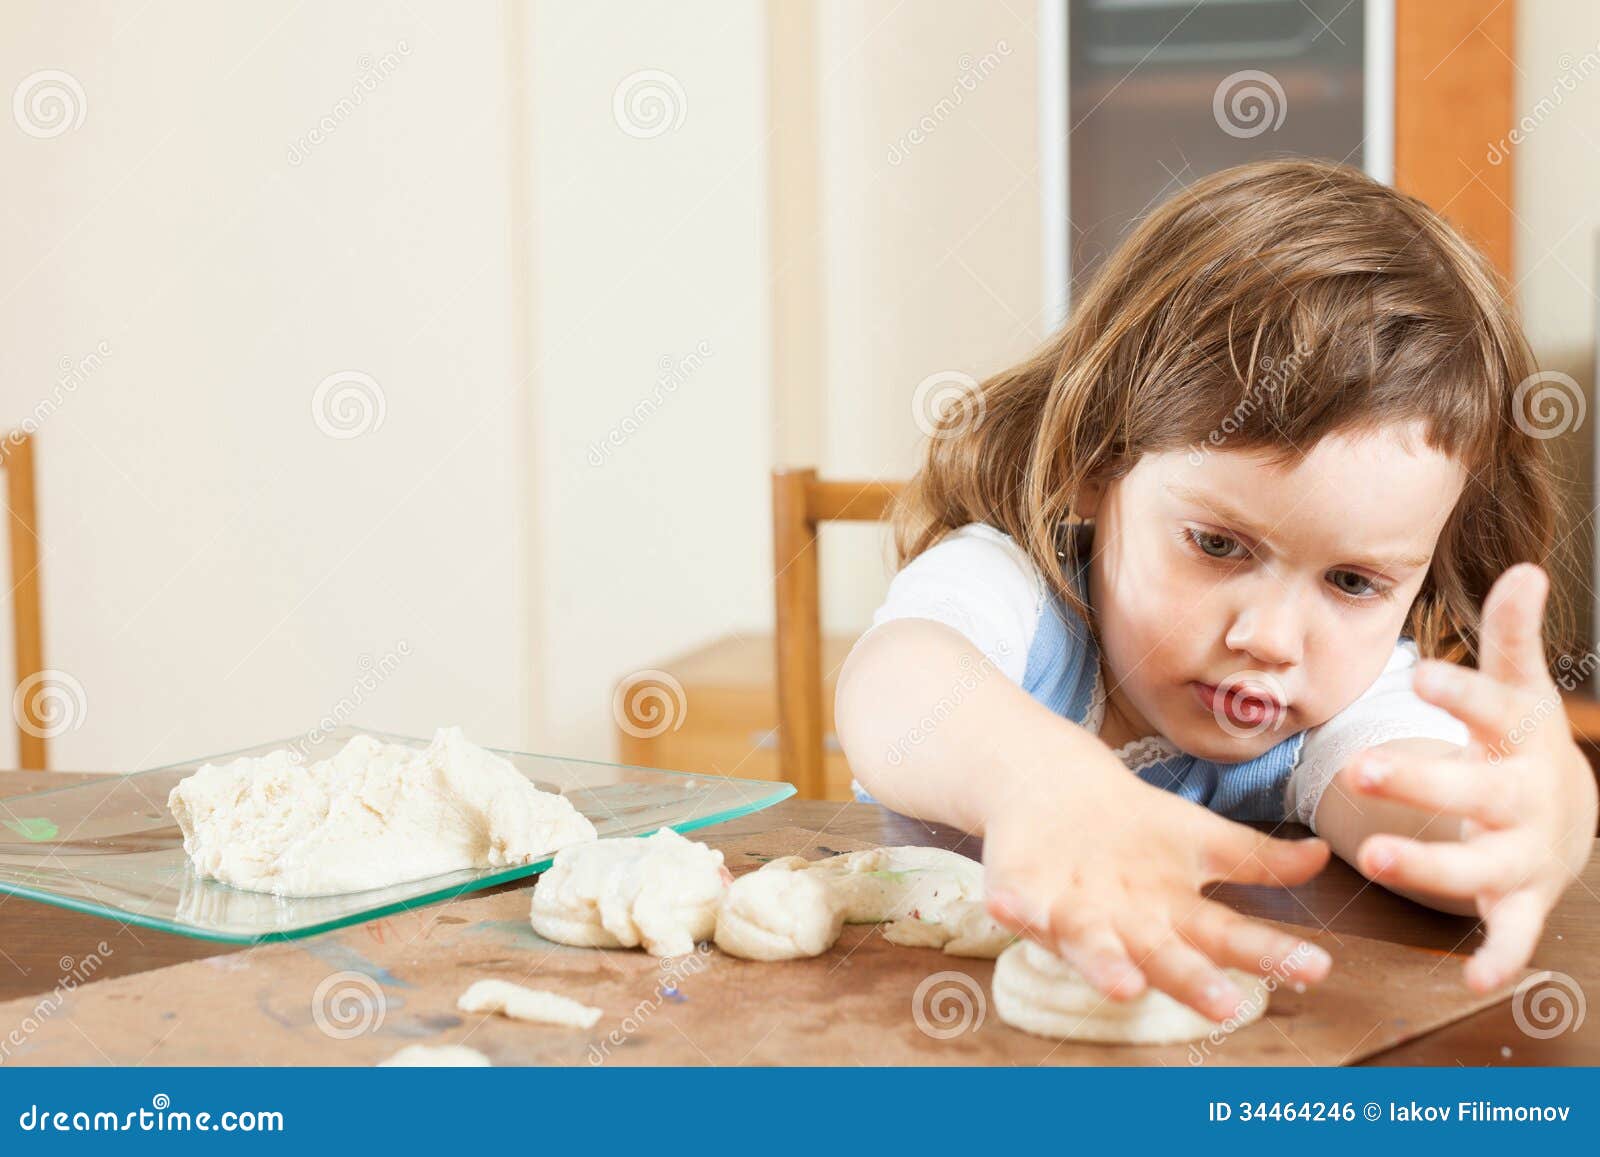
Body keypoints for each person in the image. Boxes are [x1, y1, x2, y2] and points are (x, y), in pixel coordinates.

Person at [836, 159, 1598, 1022]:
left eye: (1352, 580)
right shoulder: (1013, 588)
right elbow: (894, 685)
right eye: (1218, 545)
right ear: (1095, 461)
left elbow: (1419, 823)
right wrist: (1036, 780)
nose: (1271, 638)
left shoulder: (1349, 706)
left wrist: (1538, 827)